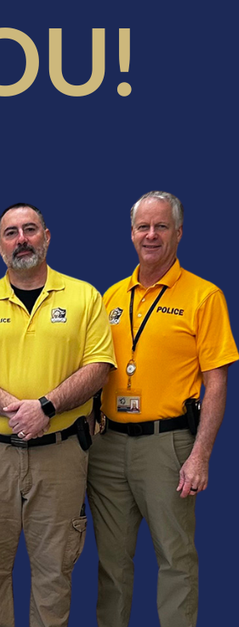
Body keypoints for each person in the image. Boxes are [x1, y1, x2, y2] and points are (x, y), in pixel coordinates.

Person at [0, 203, 116, 627]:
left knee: (54, 571)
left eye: (30, 229)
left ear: (47, 236)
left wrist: (46, 407)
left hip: (60, 454)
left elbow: (99, 366)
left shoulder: (84, 296)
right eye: (10, 232)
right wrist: (16, 410)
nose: (21, 239)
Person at [87, 191, 237, 627]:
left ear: (179, 233)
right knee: (111, 563)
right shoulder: (111, 297)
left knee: (175, 559)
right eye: (142, 227)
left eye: (161, 227)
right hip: (109, 447)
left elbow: (218, 381)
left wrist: (201, 455)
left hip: (168, 446)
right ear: (131, 234)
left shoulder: (204, 297)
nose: (150, 235)